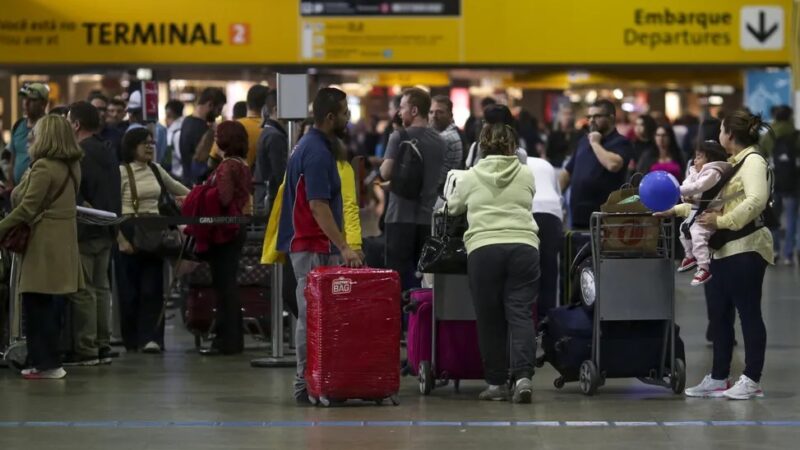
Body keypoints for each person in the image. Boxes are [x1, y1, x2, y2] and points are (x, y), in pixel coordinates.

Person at [662, 109, 773, 400]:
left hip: (746, 246)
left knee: (748, 313)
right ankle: (719, 376)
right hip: (720, 250)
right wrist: (673, 210)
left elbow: (756, 200)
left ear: (731, 135)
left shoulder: (753, 161)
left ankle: (751, 378)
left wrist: (723, 222)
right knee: (719, 316)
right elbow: (707, 207)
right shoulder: (728, 164)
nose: (718, 136)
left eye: (722, 130)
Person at [276, 87, 363, 404]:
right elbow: (318, 205)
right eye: (344, 112)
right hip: (311, 244)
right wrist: (344, 246)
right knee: (311, 314)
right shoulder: (316, 151)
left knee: (316, 314)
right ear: (330, 117)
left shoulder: (312, 145)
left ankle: (315, 378)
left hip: (311, 243)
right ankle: (305, 381)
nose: (348, 118)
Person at [447, 122, 540, 403]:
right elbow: (527, 199)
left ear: (482, 146)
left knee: (490, 319)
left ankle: (497, 384)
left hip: (484, 249)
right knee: (520, 313)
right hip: (524, 247)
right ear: (513, 146)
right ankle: (523, 377)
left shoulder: (470, 176)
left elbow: (452, 207)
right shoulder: (526, 174)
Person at [0, 115, 83, 379]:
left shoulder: (44, 168)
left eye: (35, 133)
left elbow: (25, 207)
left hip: (43, 243)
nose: (31, 137)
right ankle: (47, 361)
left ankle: (46, 364)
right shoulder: (72, 166)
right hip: (63, 243)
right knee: (48, 305)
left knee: (37, 307)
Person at [116, 128, 189, 354]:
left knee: (153, 289)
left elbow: (180, 189)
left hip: (154, 233)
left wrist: (203, 197)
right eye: (143, 143)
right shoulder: (120, 172)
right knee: (129, 293)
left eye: (151, 143)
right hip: (129, 231)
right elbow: (112, 209)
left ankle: (152, 339)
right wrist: (119, 239)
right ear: (131, 147)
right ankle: (132, 340)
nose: (149, 146)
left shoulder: (156, 170)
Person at [63, 101, 122, 366]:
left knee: (84, 291)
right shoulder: (108, 151)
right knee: (102, 289)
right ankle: (103, 344)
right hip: (107, 229)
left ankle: (86, 348)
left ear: (76, 124)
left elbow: (76, 194)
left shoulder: (78, 154)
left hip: (84, 230)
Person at [379, 88, 445, 290]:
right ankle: (420, 319)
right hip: (427, 219)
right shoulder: (440, 141)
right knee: (424, 279)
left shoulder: (399, 136)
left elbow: (385, 172)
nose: (399, 112)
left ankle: (398, 321)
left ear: (414, 110)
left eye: (403, 107)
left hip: (399, 217)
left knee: (395, 279)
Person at [198, 121, 253, 356]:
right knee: (229, 284)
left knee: (223, 286)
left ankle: (226, 340)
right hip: (237, 227)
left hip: (224, 230)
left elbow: (223, 197)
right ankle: (233, 339)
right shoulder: (243, 164)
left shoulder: (226, 167)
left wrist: (203, 191)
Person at [560, 99, 632, 229]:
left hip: (604, 218)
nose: (591, 120)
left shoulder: (621, 142)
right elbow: (567, 172)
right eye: (589, 116)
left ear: (611, 118)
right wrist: (557, 195)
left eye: (597, 116)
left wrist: (595, 143)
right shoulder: (583, 141)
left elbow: (613, 165)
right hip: (577, 215)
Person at [675, 141, 732, 286]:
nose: (695, 160)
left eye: (699, 157)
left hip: (710, 211)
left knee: (697, 234)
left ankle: (704, 267)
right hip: (698, 207)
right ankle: (690, 256)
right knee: (683, 230)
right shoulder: (698, 171)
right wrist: (685, 195)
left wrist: (678, 190)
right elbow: (688, 184)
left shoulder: (714, 172)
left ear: (711, 159)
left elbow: (699, 186)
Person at [760, 105, 800, 265]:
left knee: (774, 218)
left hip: (773, 182)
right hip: (793, 182)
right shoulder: (795, 135)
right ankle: (789, 254)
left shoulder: (769, 135)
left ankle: (774, 250)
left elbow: (760, 154)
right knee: (792, 218)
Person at [526, 154, 563, 320]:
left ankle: (528, 317)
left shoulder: (513, 163)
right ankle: (546, 319)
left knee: (526, 268)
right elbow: (558, 193)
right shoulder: (544, 163)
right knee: (549, 269)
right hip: (552, 212)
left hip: (529, 211)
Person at [209, 85, 267, 170]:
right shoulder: (269, 129)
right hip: (262, 182)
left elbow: (212, 162)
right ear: (266, 107)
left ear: (247, 104)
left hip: (232, 180)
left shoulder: (229, 128)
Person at [179, 87, 226, 184]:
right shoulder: (202, 129)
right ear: (210, 104)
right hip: (199, 184)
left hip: (187, 181)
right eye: (219, 109)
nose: (219, 114)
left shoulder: (187, 121)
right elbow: (204, 160)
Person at [254, 88, 289, 215]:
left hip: (264, 197)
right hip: (271, 200)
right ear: (276, 109)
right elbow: (280, 173)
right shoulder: (275, 136)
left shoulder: (268, 132)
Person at [9, 82, 49, 188]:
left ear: (43, 104)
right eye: (24, 99)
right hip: (16, 190)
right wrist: (10, 186)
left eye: (32, 100)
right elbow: (12, 159)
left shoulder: (50, 128)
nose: (26, 103)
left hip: (39, 189)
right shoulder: (18, 126)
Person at [429, 95, 464, 189]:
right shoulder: (447, 133)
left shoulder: (445, 138)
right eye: (431, 112)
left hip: (439, 193)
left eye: (439, 112)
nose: (434, 116)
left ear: (450, 115)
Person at [125, 90, 168, 167]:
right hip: (157, 171)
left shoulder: (133, 130)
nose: (131, 116)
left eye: (134, 113)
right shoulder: (161, 129)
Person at [546, 104, 583, 168]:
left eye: (570, 114)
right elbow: (548, 154)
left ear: (574, 116)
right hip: (556, 167)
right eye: (565, 114)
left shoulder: (580, 134)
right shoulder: (553, 135)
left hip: (575, 167)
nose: (567, 117)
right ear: (559, 117)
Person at [88, 93, 124, 159]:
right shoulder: (82, 135)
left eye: (104, 109)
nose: (102, 113)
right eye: (97, 109)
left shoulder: (118, 136)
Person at [164, 99, 185, 179]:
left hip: (177, 176)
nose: (165, 119)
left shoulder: (176, 133)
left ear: (170, 113)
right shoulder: (181, 129)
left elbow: (182, 158)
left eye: (167, 115)